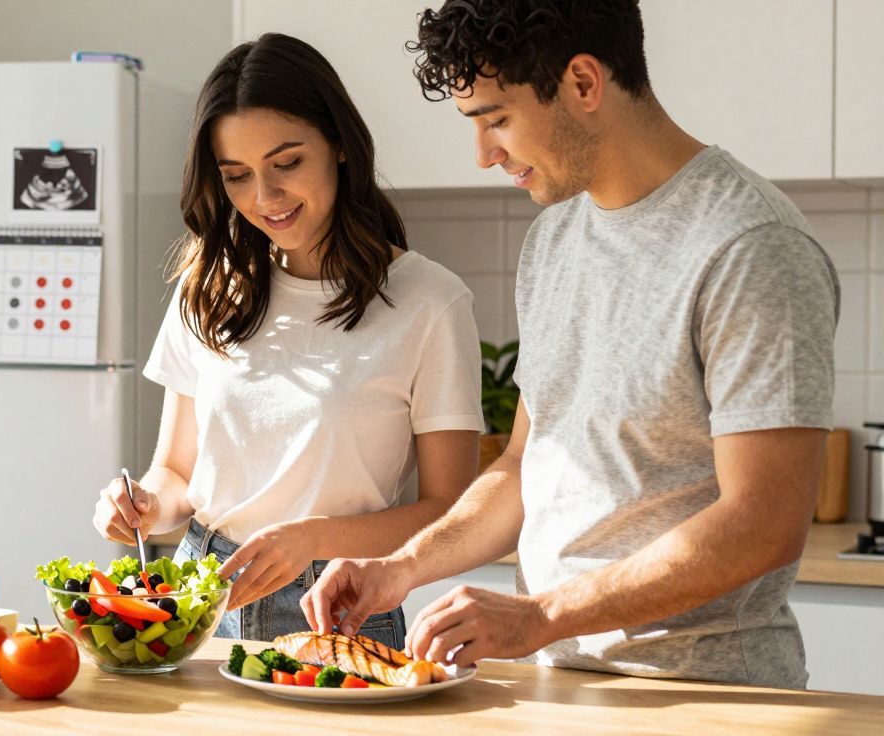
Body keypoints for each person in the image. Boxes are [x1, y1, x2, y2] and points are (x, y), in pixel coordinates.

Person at [303, 0, 839, 689]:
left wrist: (541, 615)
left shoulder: (750, 246)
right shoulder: (555, 239)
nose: (484, 153)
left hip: (702, 695)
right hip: (556, 682)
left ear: (584, 83)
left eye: (497, 119)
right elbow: (526, 461)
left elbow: (763, 522)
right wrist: (399, 568)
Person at [91, 32, 486, 646]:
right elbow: (175, 473)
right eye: (237, 176)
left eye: (287, 163)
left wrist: (312, 537)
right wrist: (141, 503)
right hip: (199, 597)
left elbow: (449, 513)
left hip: (340, 605)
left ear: (340, 146)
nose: (264, 197)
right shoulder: (209, 286)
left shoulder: (429, 301)